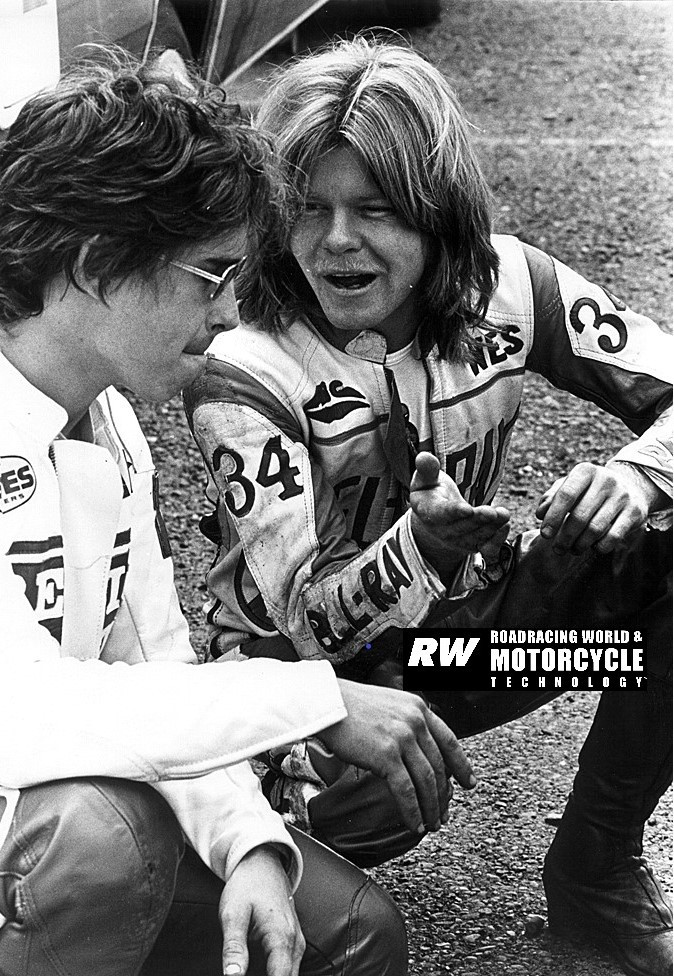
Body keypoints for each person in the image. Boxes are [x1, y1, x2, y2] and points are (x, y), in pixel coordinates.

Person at [183, 36, 673, 976]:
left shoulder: (514, 283)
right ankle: (287, 850)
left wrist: (642, 473)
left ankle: (597, 866)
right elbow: (309, 628)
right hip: (314, 696)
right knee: (356, 824)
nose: (335, 242)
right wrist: (420, 545)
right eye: (308, 209)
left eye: (374, 209)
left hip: (466, 648)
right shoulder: (241, 365)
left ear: (439, 214)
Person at [0, 49, 481, 976]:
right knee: (103, 835)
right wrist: (310, 701)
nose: (229, 312)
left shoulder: (106, 419)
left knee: (350, 934)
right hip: (53, 827)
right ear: (100, 264)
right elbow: (19, 708)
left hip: (59, 817)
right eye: (210, 275)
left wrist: (251, 843)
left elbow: (156, 659)